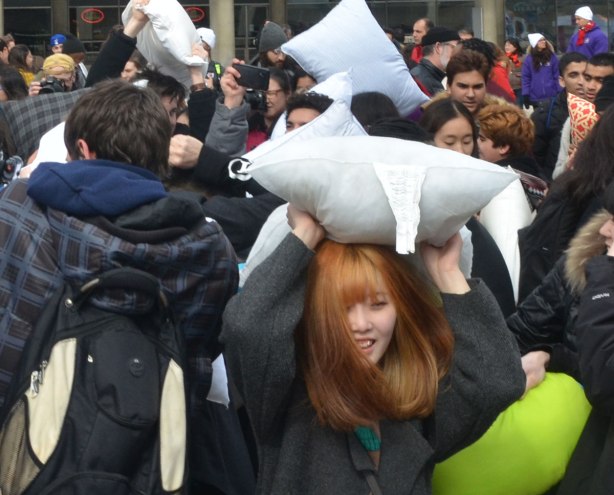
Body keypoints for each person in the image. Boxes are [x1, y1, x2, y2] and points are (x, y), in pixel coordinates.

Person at [221, 204, 525, 494]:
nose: (361, 324)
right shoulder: (286, 393)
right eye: (342, 308)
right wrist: (304, 236)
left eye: (378, 304)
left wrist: (447, 273)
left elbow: (498, 381)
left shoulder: (414, 400)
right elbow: (245, 326)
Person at [518, 104, 614, 303]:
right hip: (562, 308)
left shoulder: (579, 179)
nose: (606, 230)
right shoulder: (601, 197)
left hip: (541, 297)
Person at [556, 180, 614, 495]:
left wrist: (605, 281)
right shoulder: (586, 261)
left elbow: (606, 378)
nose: (605, 230)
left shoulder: (603, 274)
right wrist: (553, 356)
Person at [531, 52, 587, 181]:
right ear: (562, 81)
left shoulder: (600, 111)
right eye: (574, 75)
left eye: (586, 75)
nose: (581, 81)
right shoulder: (545, 114)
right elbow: (535, 159)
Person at [410, 27, 460, 97]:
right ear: (438, 47)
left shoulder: (425, 76)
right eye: (453, 47)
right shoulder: (423, 81)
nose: (457, 53)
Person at [445, 49, 490, 116]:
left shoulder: (505, 124)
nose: (470, 95)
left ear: (486, 87)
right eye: (463, 86)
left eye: (477, 87)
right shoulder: (430, 122)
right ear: (448, 87)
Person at [521, 33, 561, 108]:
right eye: (540, 40)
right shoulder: (529, 60)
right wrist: (525, 94)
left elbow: (557, 75)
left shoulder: (552, 57)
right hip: (535, 97)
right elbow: (526, 78)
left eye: (544, 39)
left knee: (550, 119)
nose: (544, 42)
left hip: (551, 96)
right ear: (535, 43)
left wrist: (559, 90)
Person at [504, 38, 524, 105]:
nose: (506, 47)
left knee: (518, 107)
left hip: (519, 87)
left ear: (515, 47)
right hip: (507, 87)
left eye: (509, 45)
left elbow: (527, 72)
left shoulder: (522, 58)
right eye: (506, 45)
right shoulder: (502, 58)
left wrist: (520, 75)